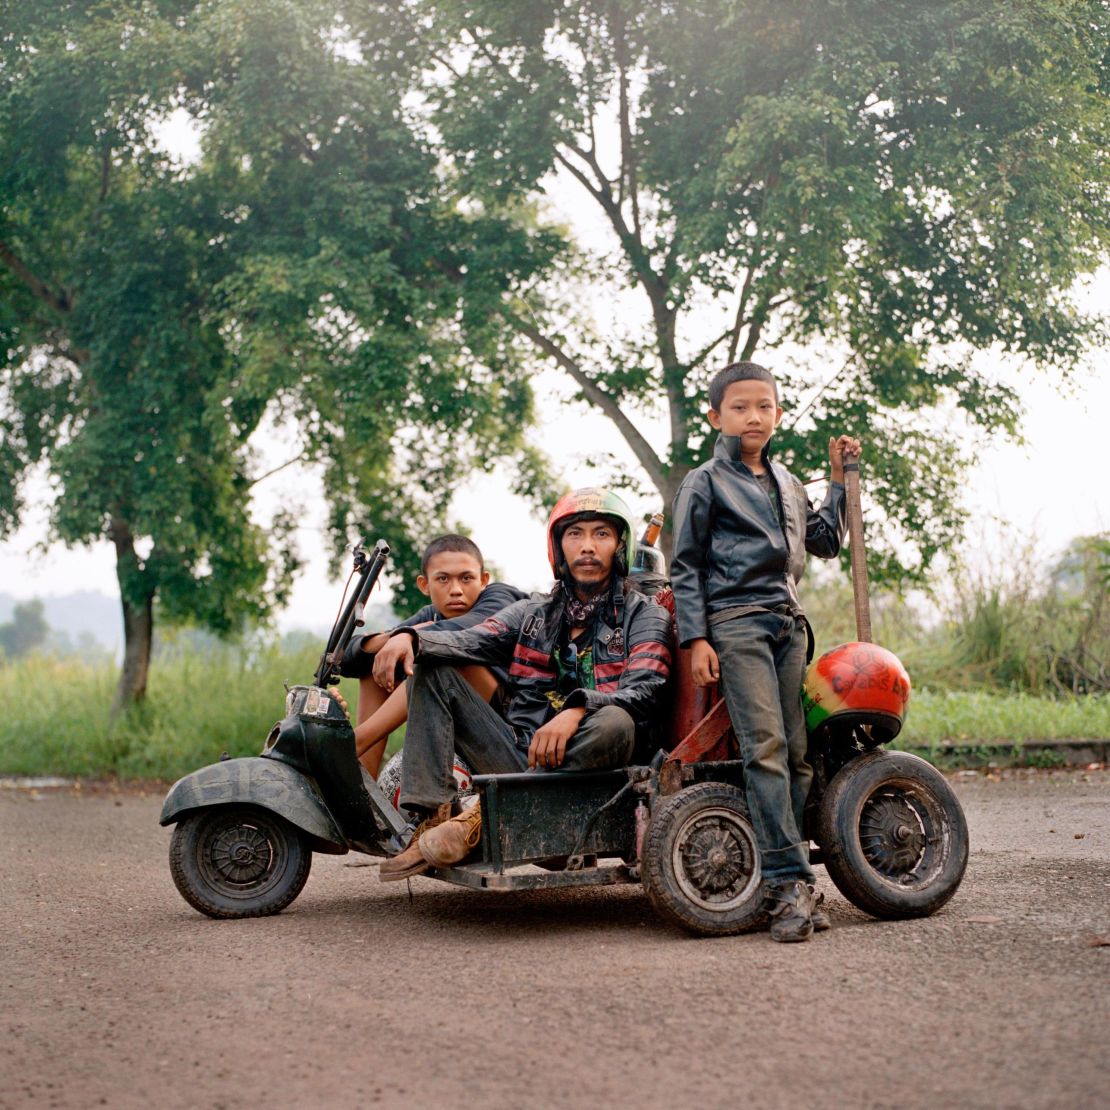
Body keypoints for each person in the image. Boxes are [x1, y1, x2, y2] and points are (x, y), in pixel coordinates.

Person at [378, 487, 673, 881]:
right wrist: (411, 637)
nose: (588, 546)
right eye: (575, 534)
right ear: (558, 546)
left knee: (616, 721)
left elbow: (647, 688)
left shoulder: (644, 614)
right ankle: (434, 819)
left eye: (601, 534)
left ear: (620, 545)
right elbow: (473, 638)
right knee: (433, 667)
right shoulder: (534, 612)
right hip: (522, 754)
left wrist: (577, 709)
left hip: (596, 760)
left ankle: (476, 819)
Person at [669, 361, 861, 943]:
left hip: (790, 625)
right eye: (739, 407)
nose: (754, 416)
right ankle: (785, 885)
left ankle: (793, 877)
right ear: (715, 417)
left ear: (778, 413)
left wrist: (837, 480)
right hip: (737, 624)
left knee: (799, 754)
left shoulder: (787, 481)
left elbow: (825, 541)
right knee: (766, 750)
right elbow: (686, 567)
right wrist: (697, 637)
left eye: (764, 406)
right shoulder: (704, 482)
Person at [338, 534, 526, 776]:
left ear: (484, 580)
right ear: (425, 585)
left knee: (436, 652)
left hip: (509, 730)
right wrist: (394, 638)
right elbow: (347, 659)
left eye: (467, 578)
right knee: (377, 666)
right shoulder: (431, 615)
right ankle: (363, 784)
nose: (456, 590)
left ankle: (353, 743)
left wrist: (411, 637)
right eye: (443, 579)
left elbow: (465, 634)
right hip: (460, 719)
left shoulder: (501, 599)